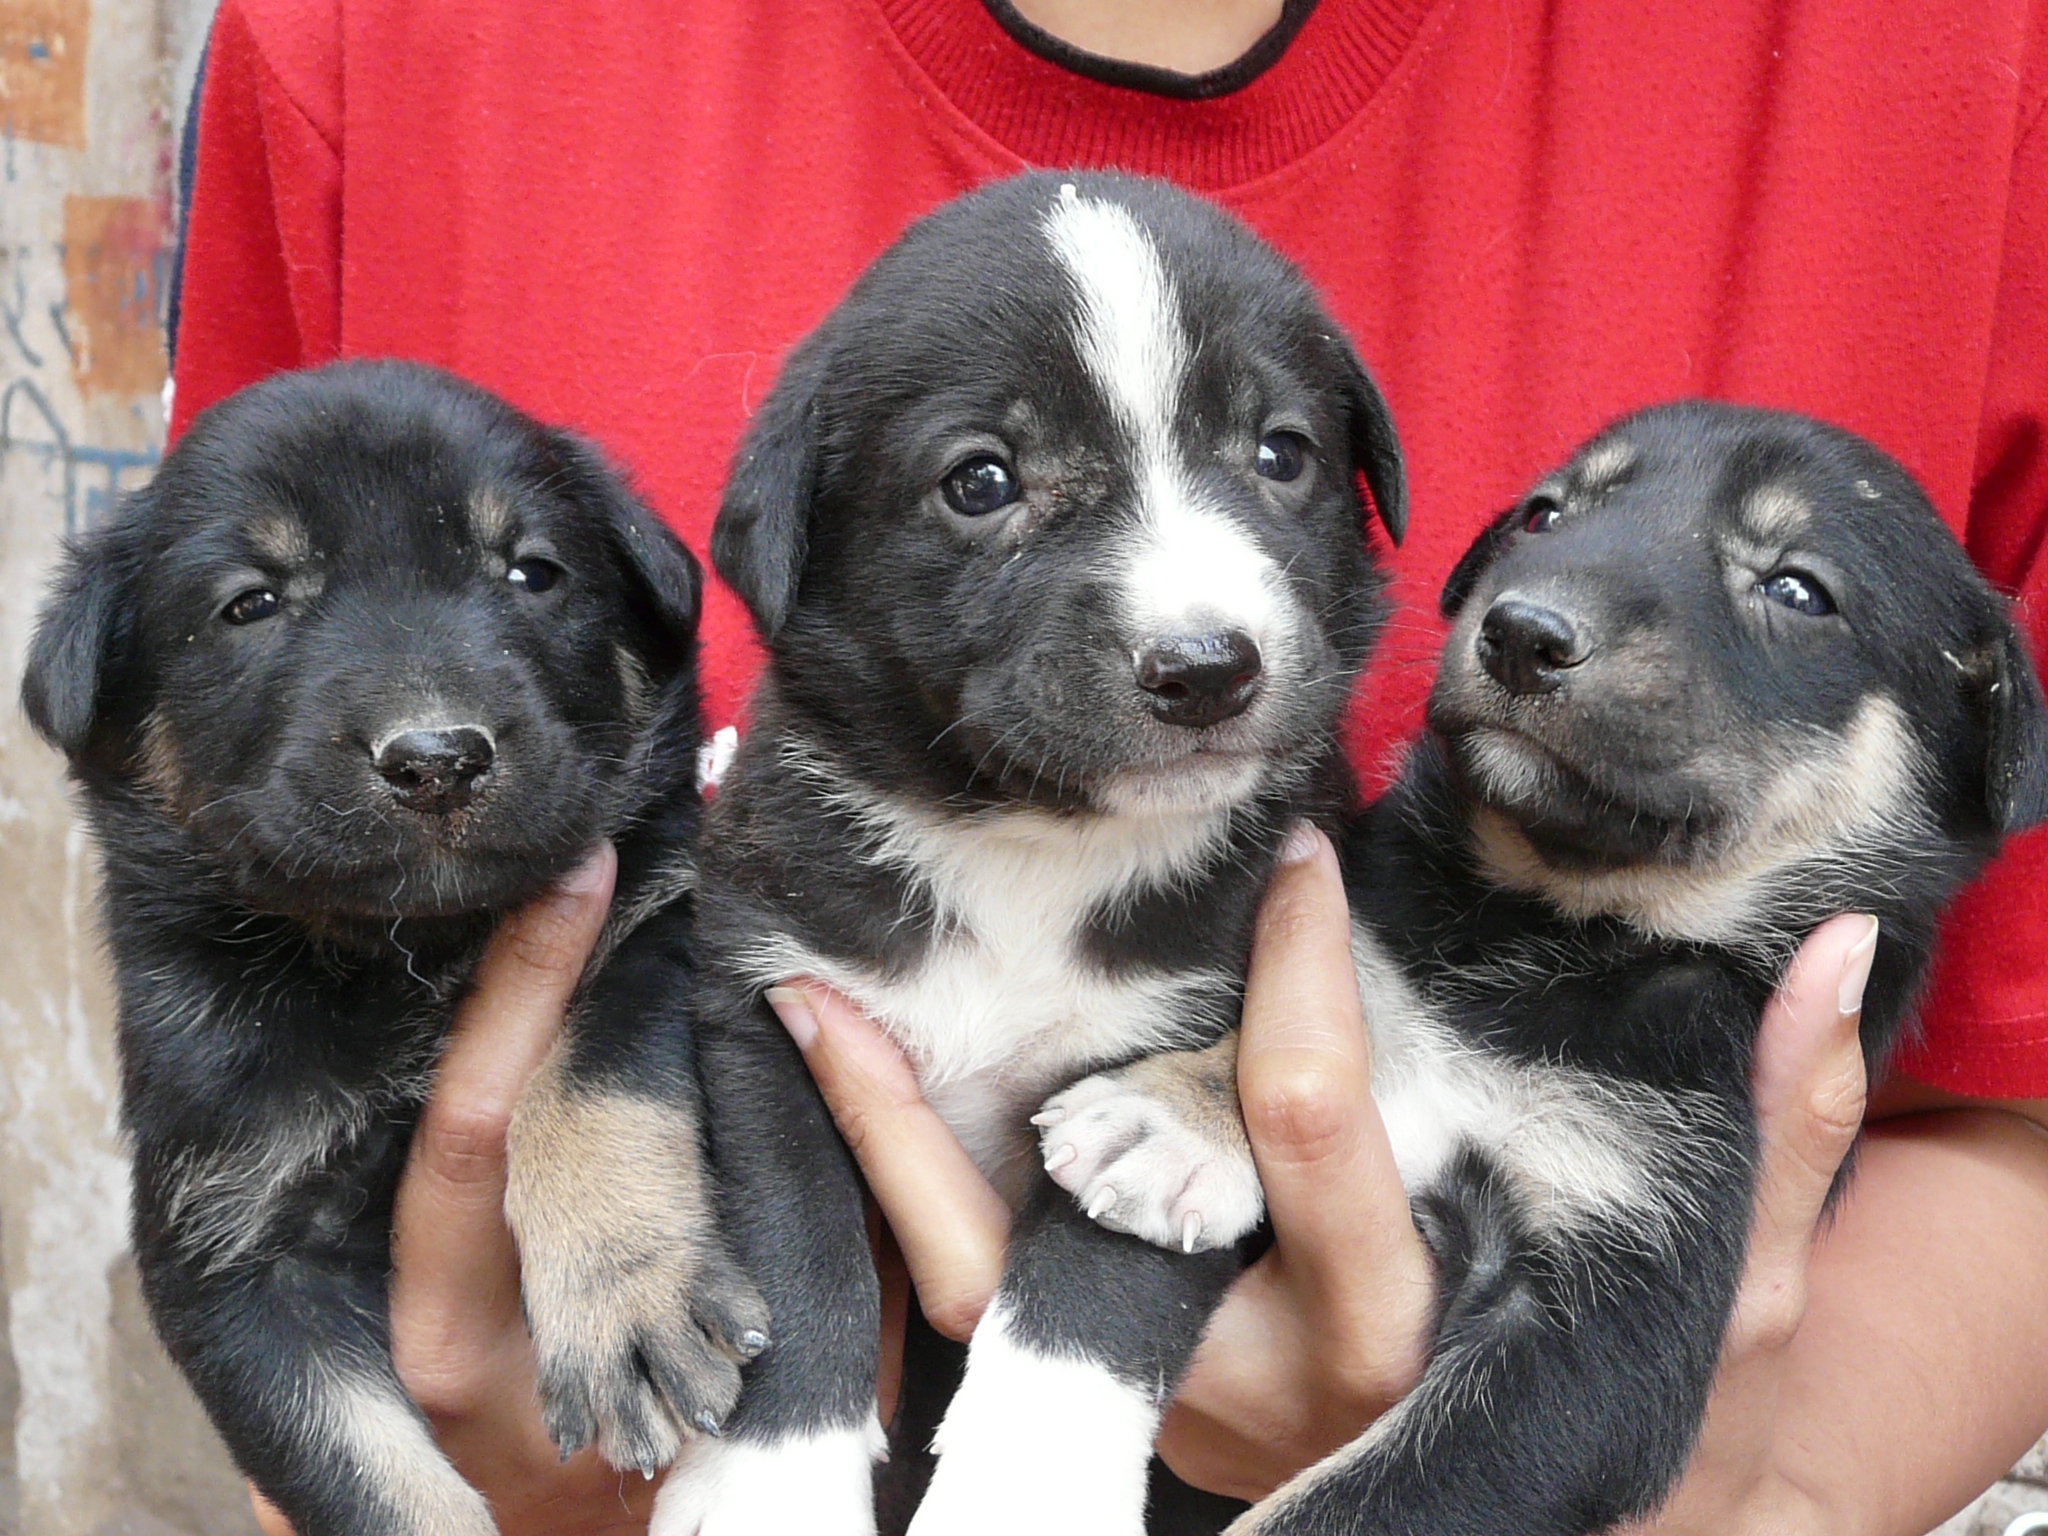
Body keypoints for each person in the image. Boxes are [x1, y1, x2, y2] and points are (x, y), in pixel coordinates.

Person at [169, 1, 2048, 1531]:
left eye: (1280, 462)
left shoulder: (1967, 69)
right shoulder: (372, 48)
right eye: (987, 486)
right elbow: (232, 949)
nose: (1198, 618)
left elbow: (2011, 1123)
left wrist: (1736, 1485)